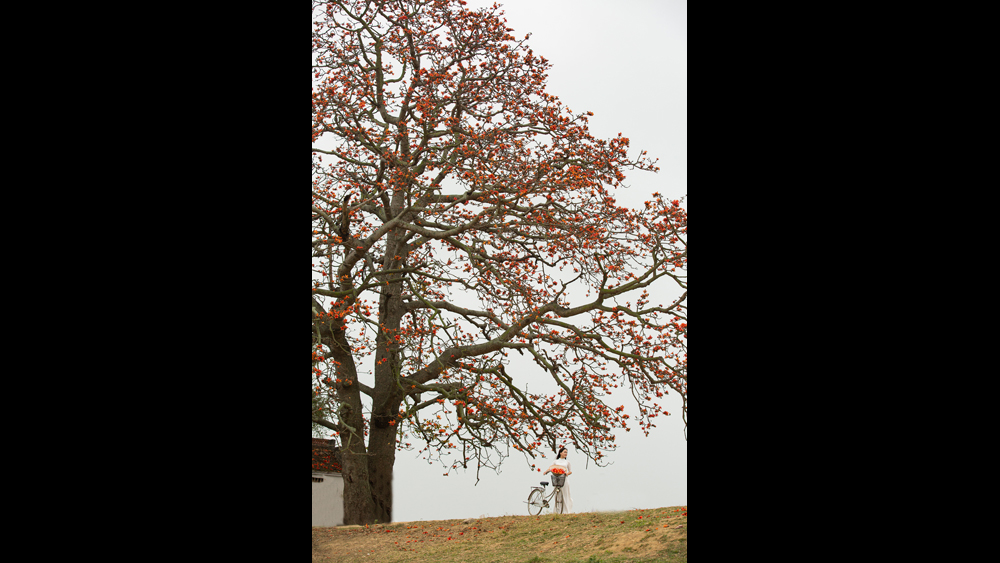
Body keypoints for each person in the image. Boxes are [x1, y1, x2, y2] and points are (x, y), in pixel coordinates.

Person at [543, 447, 574, 513]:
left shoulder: (567, 462)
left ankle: (566, 510)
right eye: (564, 452)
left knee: (565, 494)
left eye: (566, 452)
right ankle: (558, 510)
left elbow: (570, 471)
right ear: (560, 453)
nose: (566, 454)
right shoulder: (555, 461)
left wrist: (567, 474)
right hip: (557, 479)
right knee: (557, 495)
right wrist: (546, 472)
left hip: (564, 479)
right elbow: (551, 468)